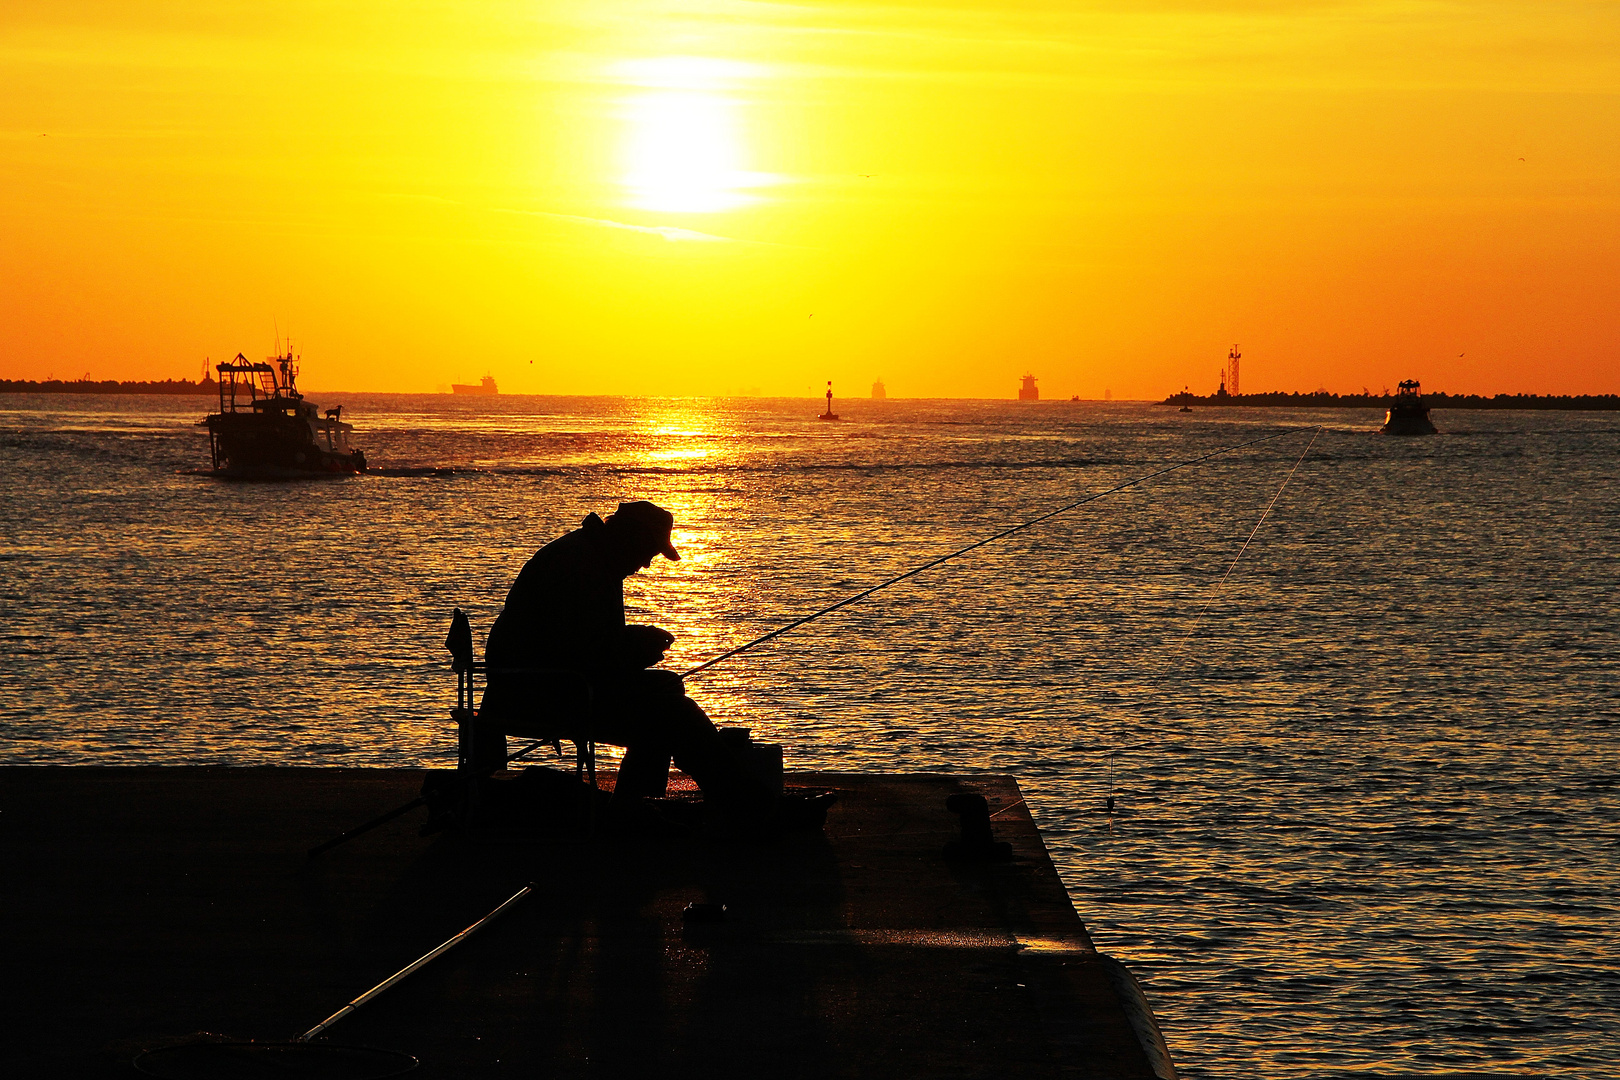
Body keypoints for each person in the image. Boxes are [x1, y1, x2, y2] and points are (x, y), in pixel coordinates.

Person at [477, 501, 779, 824]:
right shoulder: (582, 566)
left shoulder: (593, 556)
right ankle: (735, 799)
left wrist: (635, 643)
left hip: (543, 682)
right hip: (541, 692)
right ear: (631, 539)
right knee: (674, 712)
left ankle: (640, 799)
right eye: (648, 551)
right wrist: (637, 650)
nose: (646, 564)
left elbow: (587, 642)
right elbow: (586, 657)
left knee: (669, 686)